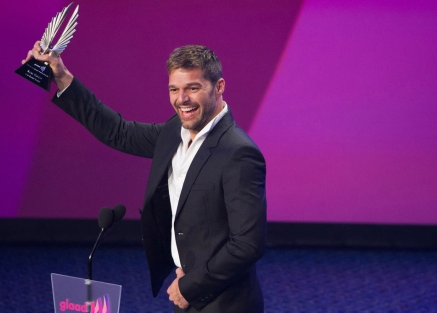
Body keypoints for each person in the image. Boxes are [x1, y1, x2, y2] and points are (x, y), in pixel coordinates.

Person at [23, 42, 267, 312]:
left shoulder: (238, 152)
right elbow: (119, 131)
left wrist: (191, 286)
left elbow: (247, 244)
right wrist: (62, 76)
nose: (181, 99)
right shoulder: (176, 130)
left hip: (223, 301)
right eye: (174, 89)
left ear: (219, 86)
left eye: (193, 88)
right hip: (187, 292)